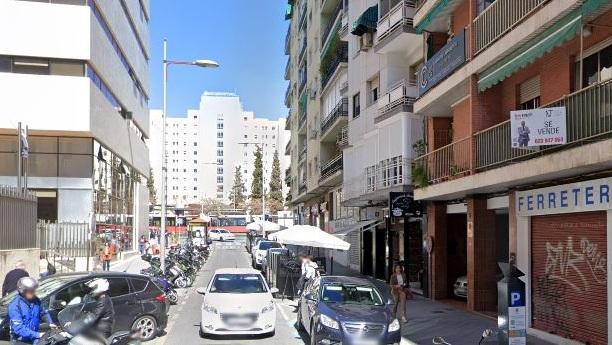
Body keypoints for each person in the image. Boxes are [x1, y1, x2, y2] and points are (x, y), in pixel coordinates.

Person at [8, 277, 54, 344]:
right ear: (23, 291)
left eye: (34, 290)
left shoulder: (36, 301)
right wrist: (38, 335)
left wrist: (50, 323)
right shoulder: (15, 306)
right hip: (20, 340)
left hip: (34, 337)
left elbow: (43, 313)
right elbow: (19, 328)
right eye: (31, 291)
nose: (34, 292)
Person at [71, 278, 115, 344]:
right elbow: (94, 313)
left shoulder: (103, 301)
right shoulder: (102, 298)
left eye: (93, 288)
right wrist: (83, 313)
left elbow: (92, 318)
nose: (91, 291)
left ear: (99, 288)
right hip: (97, 327)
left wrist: (75, 323)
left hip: (102, 331)